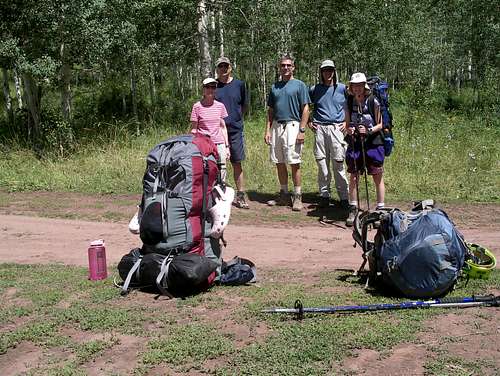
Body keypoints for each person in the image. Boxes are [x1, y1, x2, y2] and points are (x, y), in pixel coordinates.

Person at [264, 54, 310, 211]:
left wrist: (302, 130)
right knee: (279, 161)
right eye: (283, 65)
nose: (285, 68)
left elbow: (305, 108)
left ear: (293, 68)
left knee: (294, 162)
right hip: (277, 126)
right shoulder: (274, 87)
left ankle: (297, 197)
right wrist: (268, 130)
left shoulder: (299, 85)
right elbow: (270, 110)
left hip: (293, 126)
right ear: (279, 67)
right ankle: (284, 194)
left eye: (288, 65)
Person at [344, 72, 386, 226]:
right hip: (355, 141)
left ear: (364, 86)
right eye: (354, 85)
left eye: (360, 85)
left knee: (377, 175)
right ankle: (353, 208)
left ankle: (380, 210)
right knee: (354, 175)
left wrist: (368, 130)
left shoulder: (373, 100)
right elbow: (347, 123)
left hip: (373, 142)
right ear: (351, 86)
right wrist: (350, 130)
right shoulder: (349, 101)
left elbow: (381, 124)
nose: (357, 88)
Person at [308, 59, 349, 209]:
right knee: (322, 164)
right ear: (321, 72)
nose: (328, 73)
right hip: (320, 129)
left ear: (334, 71)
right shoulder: (314, 89)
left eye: (330, 70)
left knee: (338, 163)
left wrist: (346, 122)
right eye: (325, 70)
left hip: (337, 129)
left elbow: (349, 106)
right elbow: (306, 106)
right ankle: (324, 195)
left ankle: (344, 197)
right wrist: (309, 122)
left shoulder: (342, 89)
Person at [214, 56, 250, 209]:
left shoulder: (240, 85)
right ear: (217, 69)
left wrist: (236, 119)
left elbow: (244, 105)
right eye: (220, 66)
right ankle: (217, 195)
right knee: (216, 164)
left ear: (230, 67)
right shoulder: (213, 86)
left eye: (226, 66)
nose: (223, 69)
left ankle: (240, 195)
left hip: (235, 129)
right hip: (217, 132)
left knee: (236, 162)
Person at [190, 77, 230, 181]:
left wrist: (226, 147)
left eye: (213, 87)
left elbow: (223, 127)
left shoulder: (220, 106)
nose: (210, 89)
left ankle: (221, 190)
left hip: (219, 143)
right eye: (207, 87)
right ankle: (207, 193)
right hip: (204, 144)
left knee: (222, 168)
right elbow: (194, 130)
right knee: (205, 169)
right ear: (203, 89)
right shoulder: (197, 107)